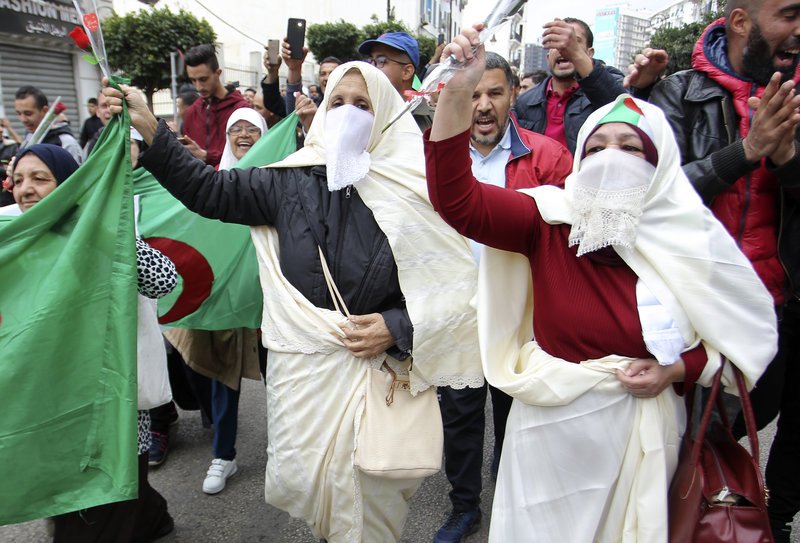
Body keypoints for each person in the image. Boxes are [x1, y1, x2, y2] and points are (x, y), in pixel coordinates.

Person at [103, 61, 482, 542]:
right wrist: (150, 128)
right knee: (314, 491)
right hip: (303, 372)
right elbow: (208, 191)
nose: (348, 113)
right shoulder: (287, 182)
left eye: (362, 105)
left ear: (385, 114)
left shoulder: (415, 191)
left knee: (372, 499)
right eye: (337, 102)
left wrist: (398, 325)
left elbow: (450, 286)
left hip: (377, 371)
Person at [426, 26, 777, 542]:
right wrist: (458, 89)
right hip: (548, 440)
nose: (611, 159)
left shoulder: (689, 241)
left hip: (643, 444)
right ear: (579, 162)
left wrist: (679, 368)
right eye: (597, 148)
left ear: (659, 168)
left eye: (631, 147)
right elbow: (456, 199)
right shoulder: (546, 219)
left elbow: (746, 341)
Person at [636, 2, 800, 539]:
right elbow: (652, 197)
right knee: (685, 449)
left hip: (779, 309)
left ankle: (761, 522)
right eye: (790, 14)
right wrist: (746, 151)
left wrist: (788, 160)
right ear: (740, 21)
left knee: (749, 435)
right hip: (694, 310)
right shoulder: (681, 93)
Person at [434, 51, 572, 543]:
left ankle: (519, 496)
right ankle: (464, 507)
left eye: (494, 92)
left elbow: (569, 237)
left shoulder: (549, 157)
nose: (483, 106)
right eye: (472, 95)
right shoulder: (434, 161)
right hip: (456, 312)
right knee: (460, 415)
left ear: (514, 94)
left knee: (520, 413)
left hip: (521, 317)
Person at [9, 143, 177, 542]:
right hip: (45, 407)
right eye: (17, 180)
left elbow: (164, 279)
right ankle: (153, 518)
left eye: (39, 178)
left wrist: (106, 234)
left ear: (70, 185)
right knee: (79, 500)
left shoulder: (100, 232)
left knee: (100, 507)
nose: (25, 189)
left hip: (108, 407)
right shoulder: (13, 240)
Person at [162, 108, 267, 495]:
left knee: (285, 381)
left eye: (252, 129)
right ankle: (224, 454)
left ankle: (291, 451)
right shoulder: (210, 182)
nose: (243, 134)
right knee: (211, 373)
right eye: (235, 128)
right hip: (220, 297)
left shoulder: (283, 179)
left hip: (269, 302)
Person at [514, 18, 661, 155]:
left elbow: (627, 115)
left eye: (573, 42)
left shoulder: (609, 83)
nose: (564, 48)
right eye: (556, 44)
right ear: (548, 57)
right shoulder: (525, 102)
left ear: (589, 54)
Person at [181, 44, 250, 167]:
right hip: (197, 183)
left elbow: (247, 155)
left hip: (231, 182)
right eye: (193, 80)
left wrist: (206, 155)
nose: (198, 87)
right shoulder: (192, 112)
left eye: (203, 79)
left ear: (218, 73)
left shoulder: (242, 110)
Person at [358, 31, 434, 131]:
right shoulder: (360, 114)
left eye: (381, 61)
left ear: (407, 72)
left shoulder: (434, 121)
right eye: (371, 60)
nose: (372, 67)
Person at [14, 86, 83, 164]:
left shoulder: (66, 142)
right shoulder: (28, 139)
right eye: (19, 113)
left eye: (28, 113)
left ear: (44, 110)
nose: (23, 119)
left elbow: (78, 174)